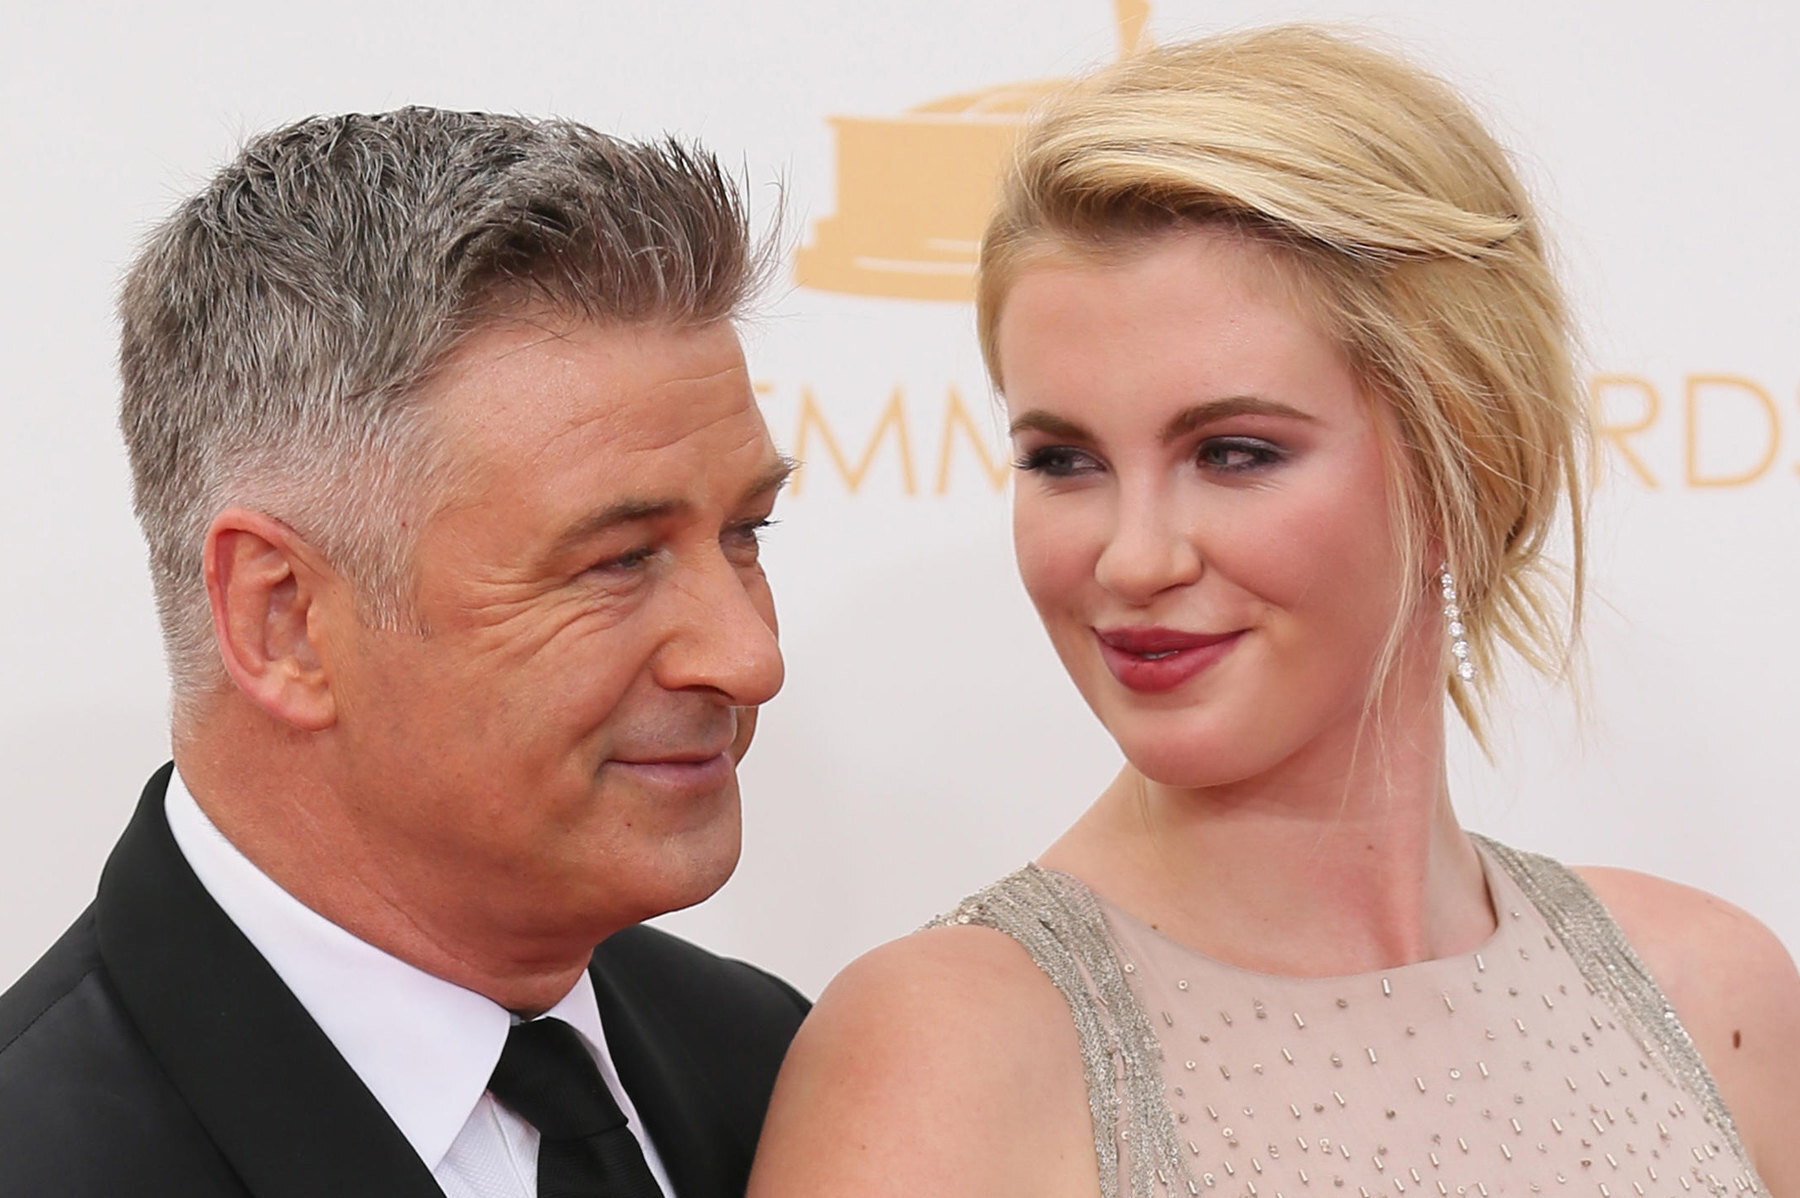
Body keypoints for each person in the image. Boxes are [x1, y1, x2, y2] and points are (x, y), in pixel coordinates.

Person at [748, 26, 1800, 1198]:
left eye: (1234, 452)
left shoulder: (1714, 997)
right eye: (1064, 460)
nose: (1134, 557)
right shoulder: (942, 1057)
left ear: (1469, 453)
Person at [0, 108, 806, 1197]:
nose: (750, 658)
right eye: (617, 561)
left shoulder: (778, 1070)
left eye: (744, 533)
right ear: (284, 621)